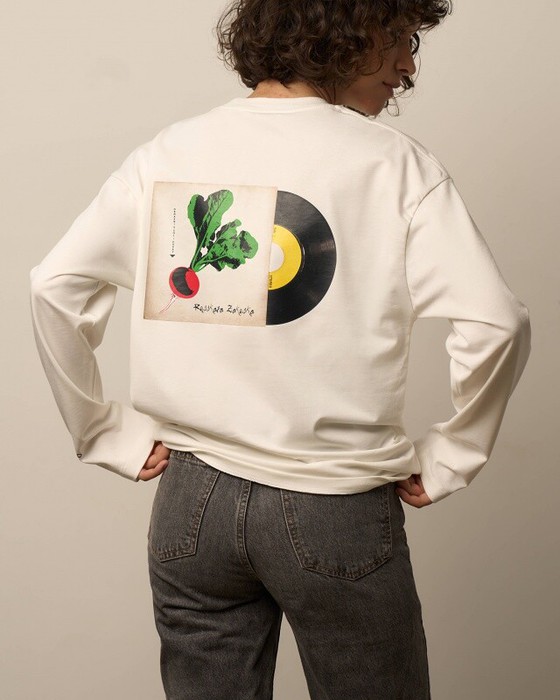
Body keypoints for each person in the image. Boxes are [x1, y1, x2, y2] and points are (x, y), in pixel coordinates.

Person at [29, 1, 531, 698]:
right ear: (344, 28)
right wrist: (454, 453)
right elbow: (496, 322)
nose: (408, 66)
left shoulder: (169, 152)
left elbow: (55, 285)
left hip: (191, 505)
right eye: (399, 38)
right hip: (335, 506)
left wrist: (101, 432)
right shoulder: (396, 166)